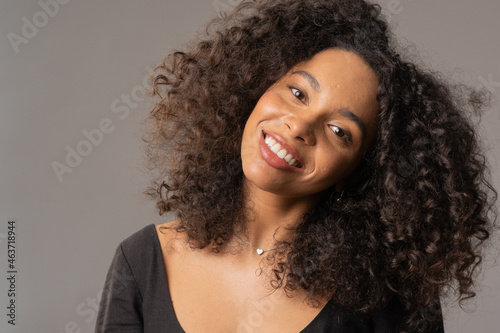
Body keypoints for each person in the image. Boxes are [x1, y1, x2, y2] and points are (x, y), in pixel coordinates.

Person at [95, 0, 497, 332]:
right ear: (257, 86)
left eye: (340, 131)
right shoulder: (144, 261)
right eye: (298, 92)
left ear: (357, 171)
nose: (300, 125)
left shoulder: (388, 298)